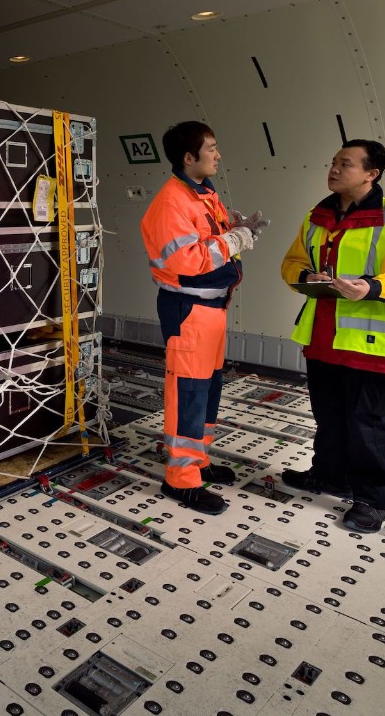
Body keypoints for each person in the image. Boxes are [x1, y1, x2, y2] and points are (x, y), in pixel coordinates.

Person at [279, 139, 385, 533]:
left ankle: (372, 499)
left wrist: (371, 286)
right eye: (333, 162)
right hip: (324, 339)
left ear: (371, 174)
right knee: (329, 417)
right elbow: (292, 263)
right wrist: (306, 276)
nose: (334, 169)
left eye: (345, 164)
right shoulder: (317, 217)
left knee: (367, 423)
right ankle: (328, 475)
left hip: (376, 346)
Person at [140, 121, 268, 515]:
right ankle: (181, 479)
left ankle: (198, 461)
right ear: (188, 157)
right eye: (211, 148)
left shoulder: (203, 194)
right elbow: (188, 260)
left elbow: (213, 241)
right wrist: (233, 239)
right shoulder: (171, 202)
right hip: (189, 310)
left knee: (209, 388)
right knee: (189, 393)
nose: (218, 155)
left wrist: (236, 230)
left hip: (212, 309)